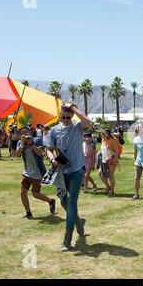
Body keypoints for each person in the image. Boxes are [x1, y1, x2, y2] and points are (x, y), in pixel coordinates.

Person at [47, 100, 91, 252]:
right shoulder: (54, 130)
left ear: (72, 116)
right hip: (61, 172)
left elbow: (87, 121)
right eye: (63, 117)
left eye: (68, 117)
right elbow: (49, 149)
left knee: (71, 202)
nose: (65, 120)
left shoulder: (77, 127)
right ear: (59, 116)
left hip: (77, 171)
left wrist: (74, 108)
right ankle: (78, 222)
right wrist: (52, 158)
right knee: (64, 202)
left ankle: (67, 239)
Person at [16, 126, 55, 219]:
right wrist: (22, 143)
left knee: (35, 194)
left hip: (38, 173)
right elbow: (17, 155)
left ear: (30, 132)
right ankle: (28, 213)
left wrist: (31, 143)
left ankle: (51, 201)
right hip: (27, 173)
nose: (25, 135)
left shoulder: (37, 140)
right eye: (23, 133)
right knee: (22, 192)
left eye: (26, 132)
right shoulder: (20, 142)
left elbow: (39, 153)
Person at [101, 129, 119, 196]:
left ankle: (112, 191)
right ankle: (108, 187)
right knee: (100, 173)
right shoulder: (103, 140)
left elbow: (116, 150)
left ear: (106, 134)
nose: (101, 134)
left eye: (103, 133)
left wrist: (115, 159)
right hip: (104, 160)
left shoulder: (111, 140)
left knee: (111, 175)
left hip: (111, 158)